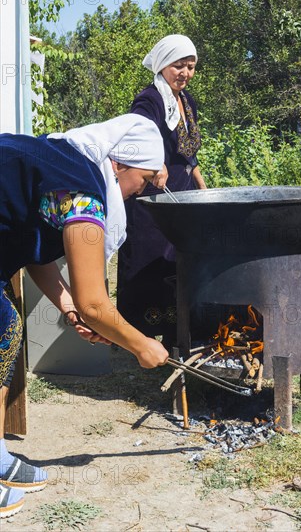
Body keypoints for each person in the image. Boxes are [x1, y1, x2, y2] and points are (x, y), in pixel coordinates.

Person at [0, 114, 169, 517]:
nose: (136, 193)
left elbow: (32, 251)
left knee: (5, 329)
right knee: (2, 330)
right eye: (142, 181)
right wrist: (142, 346)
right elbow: (97, 305)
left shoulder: (61, 164)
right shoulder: (83, 192)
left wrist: (68, 306)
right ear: (118, 164)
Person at [117, 35, 206, 345]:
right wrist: (156, 163)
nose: (185, 73)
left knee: (174, 260)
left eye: (191, 67)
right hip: (151, 194)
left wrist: (204, 189)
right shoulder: (149, 100)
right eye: (178, 66)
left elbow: (190, 156)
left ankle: (172, 329)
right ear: (162, 64)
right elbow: (136, 140)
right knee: (147, 259)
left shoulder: (188, 102)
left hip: (181, 193)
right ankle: (134, 333)